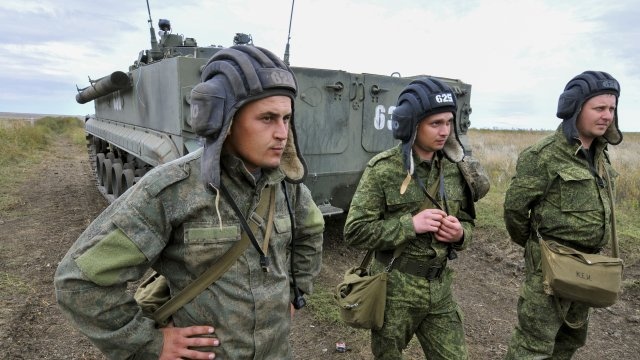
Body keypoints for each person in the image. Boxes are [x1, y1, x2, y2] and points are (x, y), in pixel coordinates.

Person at [54, 45, 324, 359]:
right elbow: (78, 281)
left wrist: (294, 292)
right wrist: (147, 344)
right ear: (224, 119)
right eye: (267, 118)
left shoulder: (285, 185)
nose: (282, 133)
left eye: (286, 118)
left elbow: (310, 232)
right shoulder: (174, 189)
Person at [344, 77, 489, 359]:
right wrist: (410, 225)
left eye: (448, 122)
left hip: (440, 287)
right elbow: (355, 231)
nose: (444, 131)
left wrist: (460, 234)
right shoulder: (383, 170)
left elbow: (469, 223)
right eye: (435, 123)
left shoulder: (457, 169)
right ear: (412, 124)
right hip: (394, 290)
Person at [503, 70, 622, 359]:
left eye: (612, 109)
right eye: (599, 108)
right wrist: (537, 250)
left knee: (569, 343)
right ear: (575, 109)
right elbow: (514, 211)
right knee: (533, 347)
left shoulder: (601, 156)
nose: (607, 115)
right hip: (550, 269)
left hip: (589, 269)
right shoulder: (542, 155)